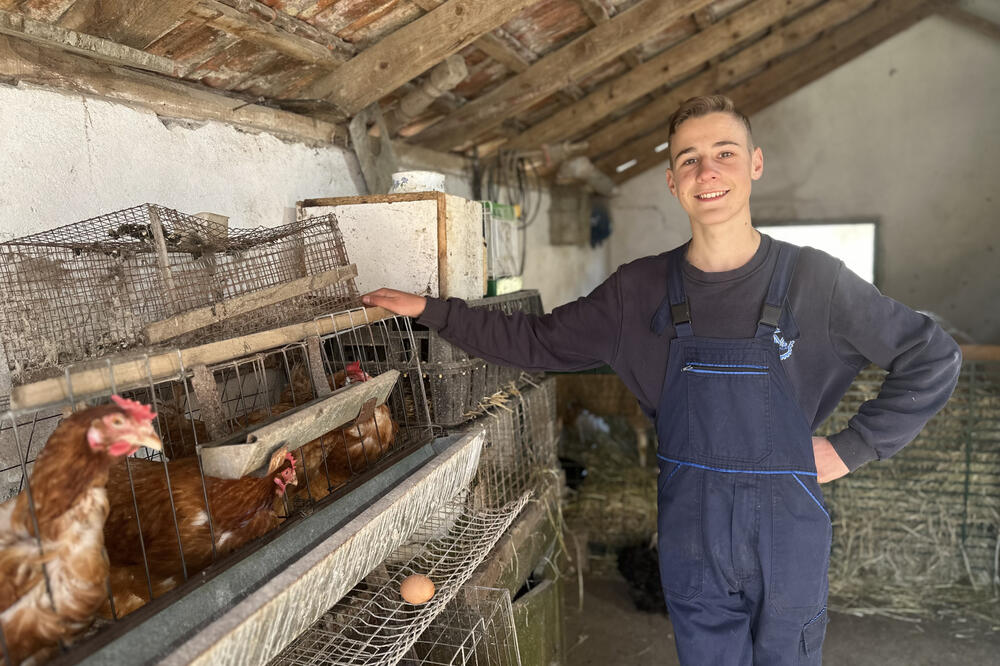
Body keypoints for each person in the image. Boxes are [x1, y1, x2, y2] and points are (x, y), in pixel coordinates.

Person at [362, 95, 961, 665]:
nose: (709, 170)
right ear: (673, 182)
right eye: (689, 159)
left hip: (787, 531)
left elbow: (932, 354)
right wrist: (433, 312)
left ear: (755, 163)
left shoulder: (816, 282)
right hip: (691, 528)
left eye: (725, 152)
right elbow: (536, 342)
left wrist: (851, 448)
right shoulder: (637, 291)